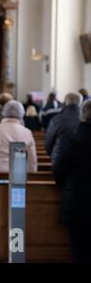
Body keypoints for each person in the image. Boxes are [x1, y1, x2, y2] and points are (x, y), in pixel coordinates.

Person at [53, 100, 91, 263]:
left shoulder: (71, 141)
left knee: (79, 251)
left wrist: (66, 186)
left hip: (77, 203)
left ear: (82, 116)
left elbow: (58, 172)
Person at [0, 101, 37, 173]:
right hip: (18, 176)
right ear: (21, 114)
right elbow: (32, 161)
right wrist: (31, 175)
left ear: (4, 113)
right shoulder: (26, 132)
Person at [45, 93, 81, 163]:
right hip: (83, 162)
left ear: (65, 102)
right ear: (80, 102)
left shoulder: (56, 119)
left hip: (60, 159)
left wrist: (53, 155)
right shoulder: (85, 118)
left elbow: (48, 142)